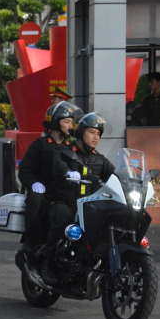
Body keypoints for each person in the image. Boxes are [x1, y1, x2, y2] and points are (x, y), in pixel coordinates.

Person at [44, 112, 116, 284]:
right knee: (64, 219)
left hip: (89, 206)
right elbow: (58, 165)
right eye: (92, 132)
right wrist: (68, 171)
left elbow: (115, 175)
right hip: (64, 202)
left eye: (98, 134)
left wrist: (132, 182)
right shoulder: (64, 151)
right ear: (81, 132)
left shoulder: (99, 159)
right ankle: (48, 265)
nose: (95, 137)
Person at [18, 101, 80, 250]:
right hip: (42, 190)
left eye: (71, 122)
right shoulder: (39, 145)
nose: (70, 126)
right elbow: (25, 170)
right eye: (66, 122)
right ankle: (32, 240)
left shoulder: (70, 147)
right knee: (36, 198)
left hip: (62, 193)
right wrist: (33, 183)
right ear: (55, 123)